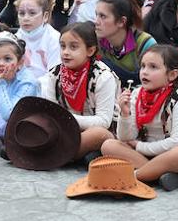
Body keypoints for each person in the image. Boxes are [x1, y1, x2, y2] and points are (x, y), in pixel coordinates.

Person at [102, 43, 178, 191]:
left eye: (153, 67)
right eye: (143, 66)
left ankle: (135, 176)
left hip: (177, 156)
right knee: (109, 144)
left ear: (172, 75)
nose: (144, 72)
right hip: (147, 156)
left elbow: (177, 143)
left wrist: (141, 146)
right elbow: (126, 138)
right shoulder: (137, 94)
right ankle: (157, 174)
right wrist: (125, 114)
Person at [39, 22, 121, 160]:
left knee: (98, 134)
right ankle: (72, 154)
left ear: (90, 50)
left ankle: (49, 156)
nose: (65, 52)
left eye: (73, 47)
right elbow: (50, 111)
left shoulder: (103, 76)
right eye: (63, 46)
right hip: (64, 130)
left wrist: (65, 118)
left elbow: (104, 121)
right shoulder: (55, 74)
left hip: (99, 132)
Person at [94, 0, 157, 86]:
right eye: (96, 15)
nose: (96, 22)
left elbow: (154, 82)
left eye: (103, 16)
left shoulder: (145, 44)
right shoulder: (95, 43)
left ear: (121, 21)